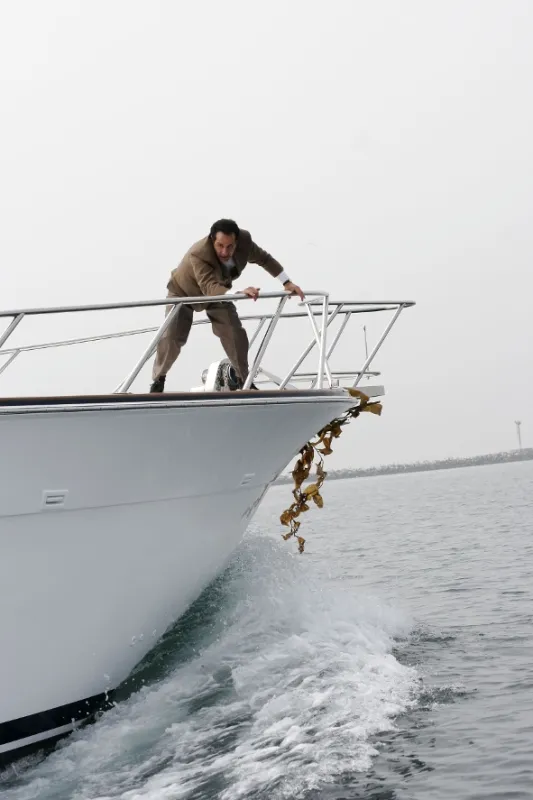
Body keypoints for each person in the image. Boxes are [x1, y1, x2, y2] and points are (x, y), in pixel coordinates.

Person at [150, 219, 304, 392]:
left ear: (237, 242)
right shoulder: (199, 253)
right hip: (184, 293)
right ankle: (158, 380)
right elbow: (209, 287)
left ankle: (244, 382)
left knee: (234, 332)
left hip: (219, 293)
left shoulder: (245, 242)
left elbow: (264, 259)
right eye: (220, 245)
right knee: (172, 337)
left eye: (230, 246)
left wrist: (287, 282)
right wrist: (239, 293)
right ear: (211, 240)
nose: (224, 251)